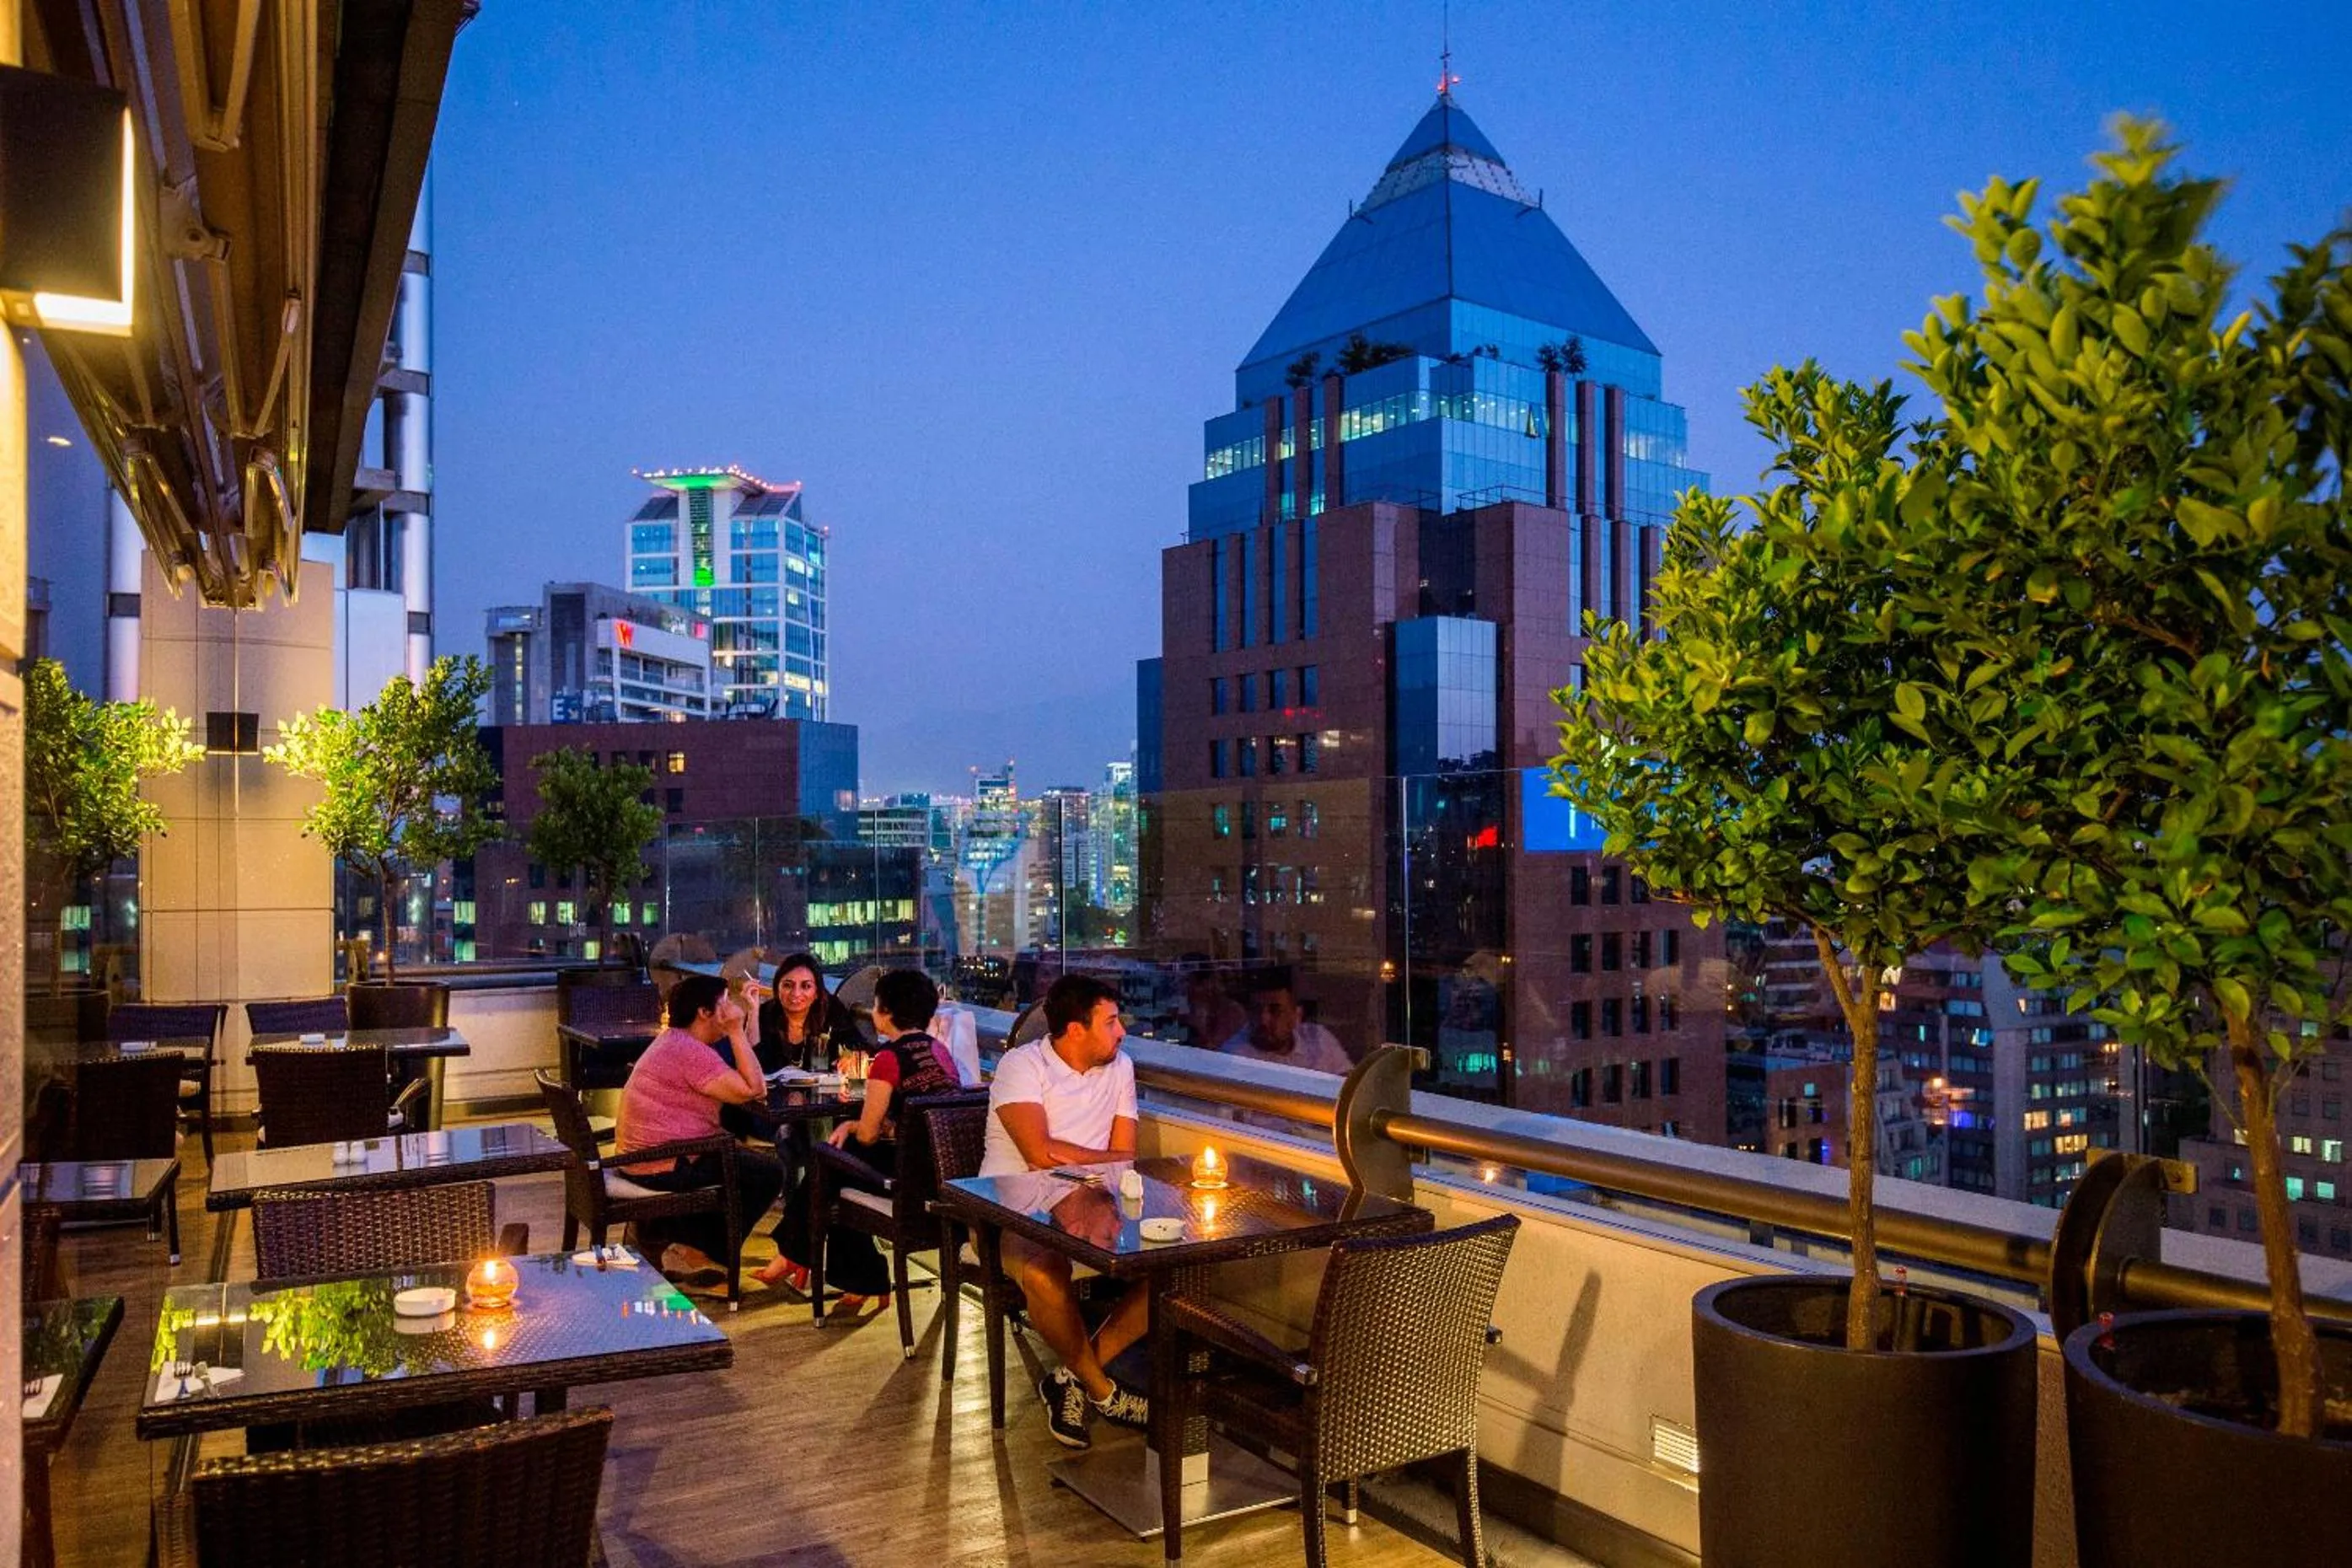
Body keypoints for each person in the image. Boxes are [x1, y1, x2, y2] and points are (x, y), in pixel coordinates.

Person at [982, 974, 1150, 1449]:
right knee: (1043, 1272)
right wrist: (1103, 1162)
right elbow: (1037, 1154)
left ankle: (1072, 1379)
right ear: (1075, 1030)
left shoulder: (1121, 1068)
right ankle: (1104, 1391)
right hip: (1011, 1209)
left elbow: (1125, 1157)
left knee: (1174, 1273)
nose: (1122, 1032)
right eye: (1112, 1022)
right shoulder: (1022, 1065)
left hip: (1092, 1209)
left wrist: (1086, 1161)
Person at [758, 968, 962, 1305]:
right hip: (943, 1172)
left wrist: (851, 1127)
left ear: (884, 1013)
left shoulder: (888, 1058)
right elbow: (926, 1116)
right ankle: (856, 1277)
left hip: (907, 1182)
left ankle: (797, 1252)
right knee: (836, 1169)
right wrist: (881, 1128)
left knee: (832, 1159)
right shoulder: (940, 1052)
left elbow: (866, 1134)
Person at [614, 973, 787, 1281]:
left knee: (738, 1158)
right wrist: (736, 1029)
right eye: (724, 1004)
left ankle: (679, 1242)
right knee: (769, 1173)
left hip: (642, 1158)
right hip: (664, 1164)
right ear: (704, 1012)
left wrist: (740, 1027)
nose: (731, 1009)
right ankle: (704, 1254)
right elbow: (756, 1089)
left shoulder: (675, 1041)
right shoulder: (689, 1051)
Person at [1220, 975, 1354, 1076]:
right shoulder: (1233, 1058)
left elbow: (1350, 1084)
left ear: (1296, 1015)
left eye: (1275, 1010)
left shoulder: (1318, 1038)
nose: (1263, 1019)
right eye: (1256, 1009)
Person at [754, 952, 864, 1075]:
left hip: (822, 1090)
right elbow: (751, 1061)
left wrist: (849, 1057)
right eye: (787, 985)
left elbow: (859, 1048)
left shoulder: (831, 1010)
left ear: (817, 992)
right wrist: (752, 1011)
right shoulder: (764, 1014)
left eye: (806, 986)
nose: (796, 994)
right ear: (777, 988)